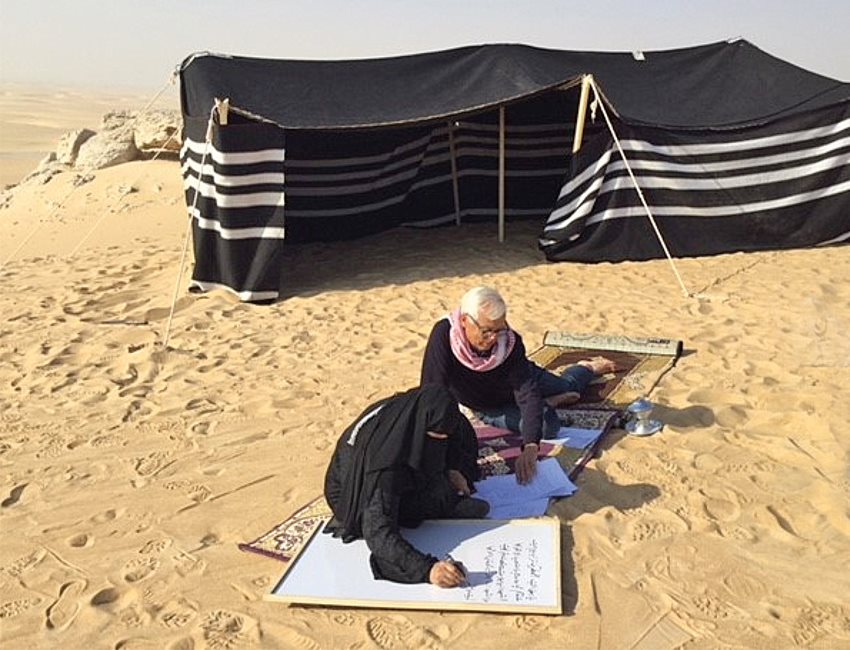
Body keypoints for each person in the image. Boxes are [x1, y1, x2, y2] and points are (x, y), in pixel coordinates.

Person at [420, 286, 615, 485]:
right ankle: (547, 403)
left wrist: (530, 447)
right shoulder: (443, 335)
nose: (494, 338)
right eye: (486, 331)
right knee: (549, 426)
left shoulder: (510, 343)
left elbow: (526, 393)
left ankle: (586, 368)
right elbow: (432, 395)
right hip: (486, 404)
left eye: (499, 330)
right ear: (464, 320)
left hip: (516, 383)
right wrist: (450, 463)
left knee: (565, 386)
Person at [324, 384, 488, 587]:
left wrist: (453, 469)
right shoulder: (386, 467)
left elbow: (456, 436)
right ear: (421, 432)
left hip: (395, 470)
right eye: (434, 438)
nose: (438, 444)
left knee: (449, 477)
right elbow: (379, 533)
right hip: (355, 494)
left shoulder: (414, 411)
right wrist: (428, 570)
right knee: (437, 497)